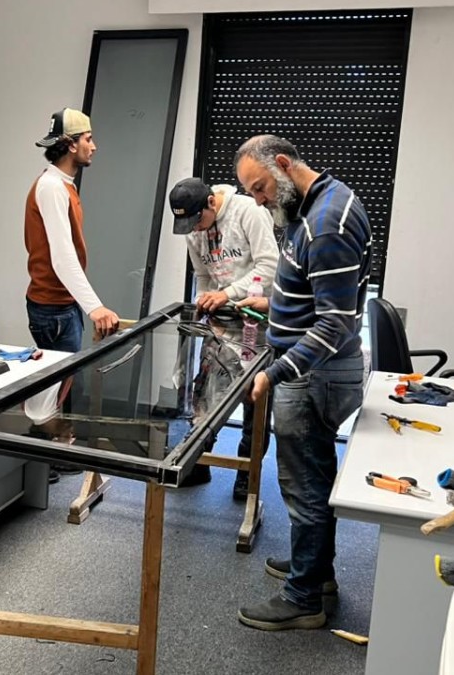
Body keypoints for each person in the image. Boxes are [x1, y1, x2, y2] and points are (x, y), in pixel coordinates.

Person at [232, 135, 371, 631]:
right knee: (313, 476)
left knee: (304, 485)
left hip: (313, 373)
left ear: (284, 165)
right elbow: (317, 293)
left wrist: (274, 372)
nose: (259, 200)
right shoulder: (314, 204)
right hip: (313, 369)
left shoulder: (327, 222)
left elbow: (334, 324)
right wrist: (276, 304)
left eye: (261, 187)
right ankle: (317, 572)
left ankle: (304, 597)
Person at [169, 177, 278, 498]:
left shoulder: (248, 212)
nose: (195, 229)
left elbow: (269, 266)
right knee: (205, 395)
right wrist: (204, 298)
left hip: (257, 320)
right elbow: (203, 275)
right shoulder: (193, 229)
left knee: (255, 401)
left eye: (197, 220)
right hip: (220, 323)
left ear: (211, 203)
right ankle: (197, 461)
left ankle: (247, 473)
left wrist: (227, 293)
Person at [25, 107, 120, 354]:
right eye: (88, 139)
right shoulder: (52, 187)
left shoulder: (63, 185)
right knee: (62, 379)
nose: (94, 146)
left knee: (65, 377)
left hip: (63, 304)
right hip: (53, 308)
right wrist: (95, 308)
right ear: (71, 145)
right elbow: (62, 257)